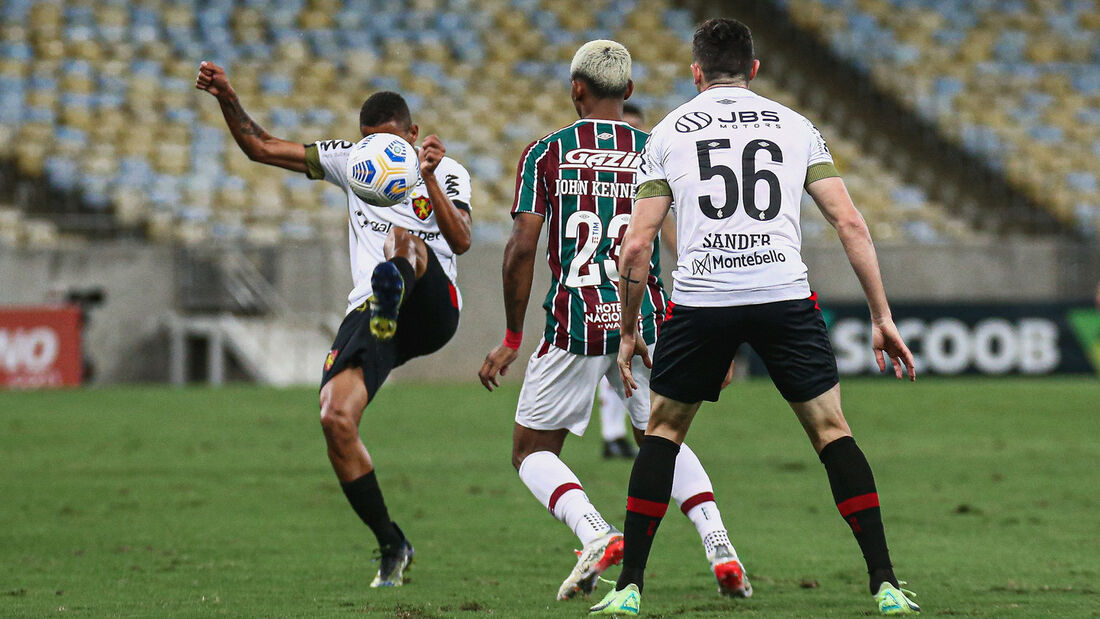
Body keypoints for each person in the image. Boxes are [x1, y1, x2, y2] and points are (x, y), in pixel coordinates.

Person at [591, 19, 920, 616]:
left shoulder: (664, 135)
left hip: (704, 299)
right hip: (781, 294)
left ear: (695, 72)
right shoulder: (796, 127)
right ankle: (886, 584)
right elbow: (849, 223)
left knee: (663, 431)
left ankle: (629, 588)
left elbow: (636, 246)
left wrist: (630, 329)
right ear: (755, 70)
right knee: (831, 430)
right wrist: (881, 315)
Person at [478, 40, 750, 603]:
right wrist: (717, 339)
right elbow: (703, 244)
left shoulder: (545, 153)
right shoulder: (660, 148)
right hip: (644, 318)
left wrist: (510, 337)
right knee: (662, 437)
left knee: (531, 450)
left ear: (576, 89)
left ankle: (594, 532)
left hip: (576, 321)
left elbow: (519, 250)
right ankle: (718, 542)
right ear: (629, 92)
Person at [196, 61, 472, 588]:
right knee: (334, 418)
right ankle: (392, 542)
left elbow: (460, 241)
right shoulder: (351, 161)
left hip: (435, 306)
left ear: (413, 135)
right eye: (367, 142)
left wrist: (429, 176)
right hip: (373, 308)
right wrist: (227, 97)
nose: (377, 154)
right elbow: (260, 147)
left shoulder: (447, 169)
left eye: (390, 142)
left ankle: (391, 289)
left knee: (403, 242)